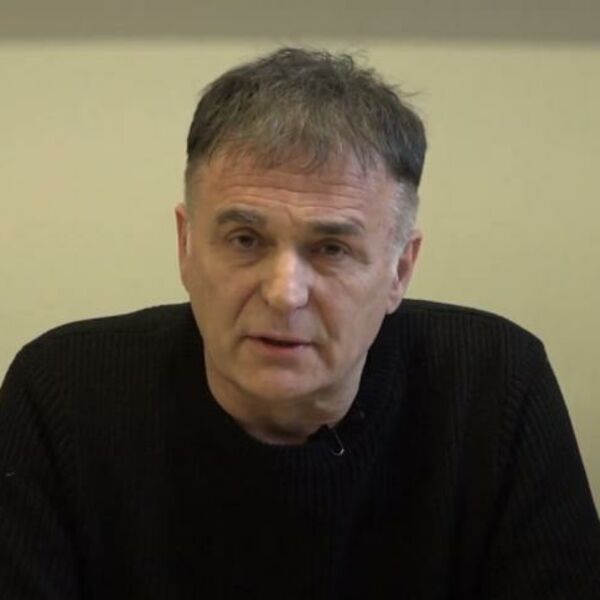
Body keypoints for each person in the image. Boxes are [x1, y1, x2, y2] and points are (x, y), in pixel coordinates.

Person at [1, 47, 599, 599]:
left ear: (400, 270)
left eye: (332, 249)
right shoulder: (62, 396)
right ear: (186, 245)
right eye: (245, 239)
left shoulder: (495, 388)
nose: (284, 294)